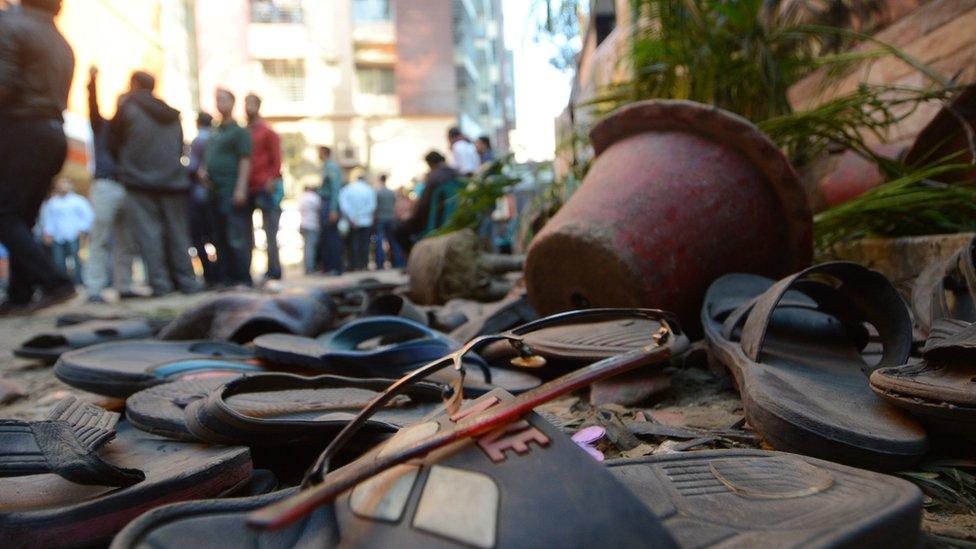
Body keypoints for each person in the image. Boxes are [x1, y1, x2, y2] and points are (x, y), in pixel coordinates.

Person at [0, 0, 78, 314]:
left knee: (4, 214)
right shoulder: (61, 41)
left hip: (22, 128)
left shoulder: (10, 25)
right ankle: (20, 292)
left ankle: (55, 281)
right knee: (22, 215)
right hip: (53, 132)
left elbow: (3, 86)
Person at [109, 70, 199, 297]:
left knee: (150, 235)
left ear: (135, 84)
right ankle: (187, 281)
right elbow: (180, 146)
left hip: (139, 181)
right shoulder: (171, 114)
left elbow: (112, 142)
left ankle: (161, 284)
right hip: (173, 181)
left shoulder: (127, 107)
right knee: (177, 233)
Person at [83, 65, 137, 302]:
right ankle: (94, 289)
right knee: (101, 237)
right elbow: (92, 107)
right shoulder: (101, 125)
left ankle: (124, 285)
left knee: (126, 240)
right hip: (106, 184)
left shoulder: (133, 132)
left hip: (127, 185)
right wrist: (93, 81)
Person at [202, 88, 253, 287]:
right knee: (219, 236)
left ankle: (241, 278)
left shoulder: (239, 132)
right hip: (214, 190)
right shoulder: (215, 131)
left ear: (232, 103)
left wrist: (240, 189)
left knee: (235, 237)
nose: (219, 103)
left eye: (223, 100)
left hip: (230, 190)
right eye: (217, 100)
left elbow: (245, 161)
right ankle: (226, 278)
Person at [245, 93, 283, 284]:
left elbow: (277, 159)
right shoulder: (245, 132)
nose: (247, 107)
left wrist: (271, 179)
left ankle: (274, 270)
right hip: (247, 187)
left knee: (270, 232)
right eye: (246, 103)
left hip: (264, 186)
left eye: (251, 103)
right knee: (247, 233)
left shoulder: (268, 132)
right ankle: (248, 271)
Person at [393, 151, 458, 255]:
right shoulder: (457, 174)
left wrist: (412, 216)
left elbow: (423, 206)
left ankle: (416, 258)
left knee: (398, 231)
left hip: (435, 220)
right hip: (455, 217)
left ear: (430, 164)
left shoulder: (434, 178)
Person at [38, 179, 94, 285]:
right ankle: (64, 283)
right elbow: (49, 219)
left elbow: (88, 216)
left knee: (76, 260)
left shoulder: (78, 201)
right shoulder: (53, 202)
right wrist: (48, 232)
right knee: (59, 261)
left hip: (73, 234)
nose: (62, 187)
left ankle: (79, 282)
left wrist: (82, 229)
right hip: (58, 236)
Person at [187, 112, 219, 287]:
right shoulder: (215, 138)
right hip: (214, 194)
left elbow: (193, 167)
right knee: (216, 236)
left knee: (199, 237)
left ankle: (209, 274)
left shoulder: (199, 140)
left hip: (199, 196)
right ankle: (219, 273)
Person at [339, 168, 376, 271]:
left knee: (352, 245)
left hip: (352, 221)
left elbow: (344, 206)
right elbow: (371, 206)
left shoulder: (347, 189)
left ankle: (353, 265)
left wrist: (353, 218)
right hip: (365, 221)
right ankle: (363, 265)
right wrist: (361, 216)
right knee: (364, 245)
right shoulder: (369, 189)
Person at [317, 146, 344, 275]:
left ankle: (335, 267)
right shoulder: (326, 166)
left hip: (329, 204)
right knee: (327, 237)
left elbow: (335, 189)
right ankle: (328, 267)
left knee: (332, 237)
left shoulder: (331, 167)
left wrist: (333, 209)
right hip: (325, 203)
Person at [373, 174, 404, 269]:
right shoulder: (392, 193)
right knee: (394, 241)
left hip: (381, 218)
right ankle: (398, 263)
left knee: (379, 241)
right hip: (391, 218)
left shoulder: (378, 193)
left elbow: (375, 206)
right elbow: (395, 204)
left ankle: (379, 264)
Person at [298, 185, 322, 275]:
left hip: (303, 224)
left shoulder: (302, 198)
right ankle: (310, 268)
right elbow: (319, 209)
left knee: (306, 248)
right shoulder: (314, 198)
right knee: (311, 248)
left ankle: (307, 267)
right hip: (312, 225)